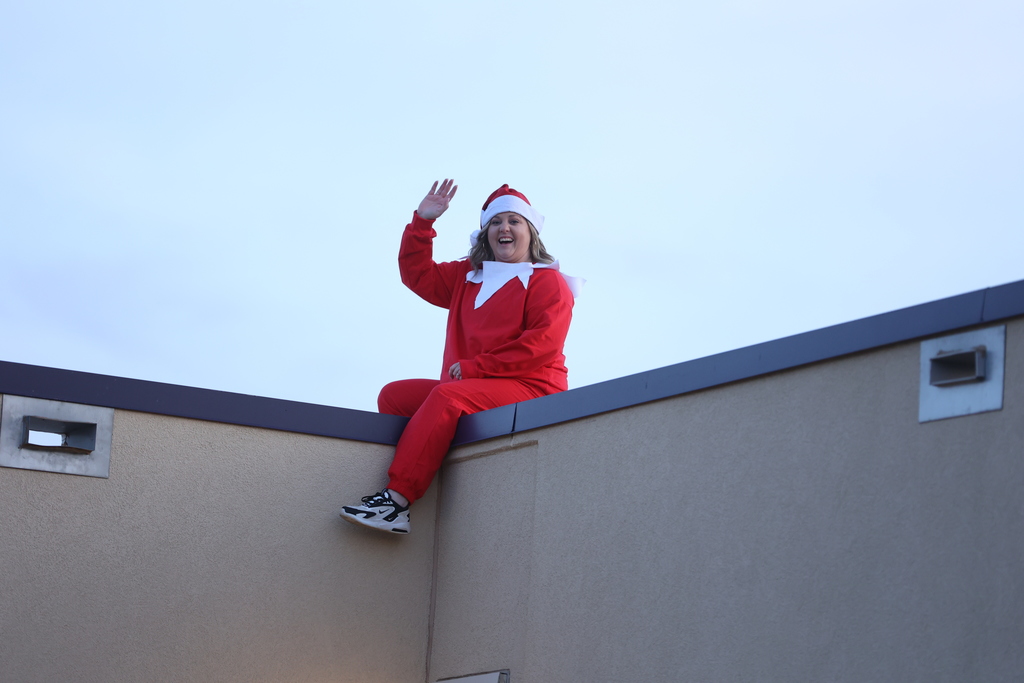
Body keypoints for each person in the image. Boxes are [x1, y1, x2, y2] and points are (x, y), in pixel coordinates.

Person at [339, 179, 582, 533]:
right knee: (394, 396)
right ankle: (425, 465)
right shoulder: (467, 277)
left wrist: (476, 368)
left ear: (530, 231)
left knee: (446, 397)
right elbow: (417, 275)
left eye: (514, 221)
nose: (504, 228)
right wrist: (423, 222)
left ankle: (396, 502)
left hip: (532, 388)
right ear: (485, 233)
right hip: (473, 387)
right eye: (496, 222)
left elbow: (541, 345)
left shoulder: (548, 282)